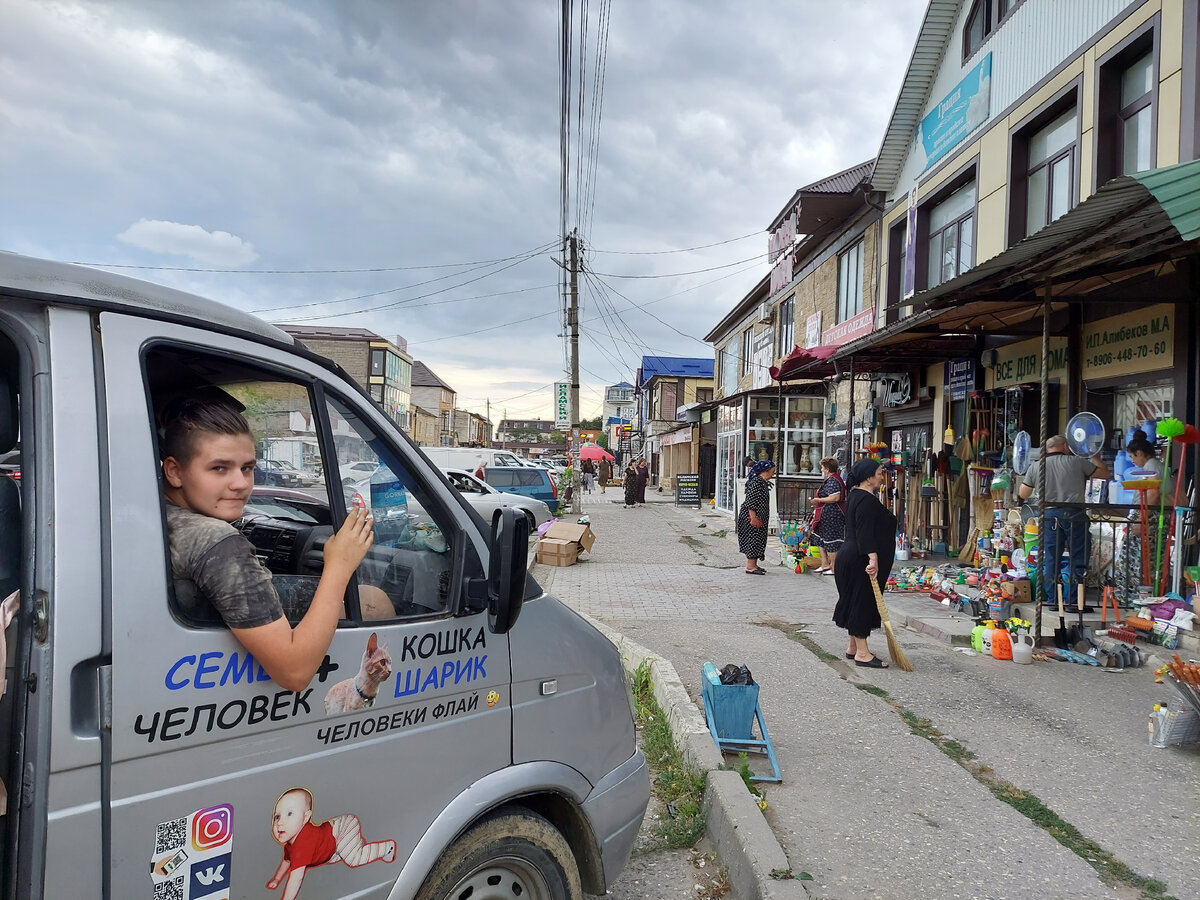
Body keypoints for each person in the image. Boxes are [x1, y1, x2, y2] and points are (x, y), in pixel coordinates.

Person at [161, 399, 375, 692]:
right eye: (219, 468)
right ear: (174, 471)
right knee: (371, 599)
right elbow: (294, 672)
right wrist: (339, 566)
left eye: (247, 468)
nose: (240, 484)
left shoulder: (158, 515)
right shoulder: (218, 544)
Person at [1017, 434, 1110, 605]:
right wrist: (1095, 456)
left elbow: (1023, 493)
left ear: (1046, 449)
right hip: (1075, 515)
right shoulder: (1077, 462)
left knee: (1052, 558)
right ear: (1066, 447)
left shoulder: (1036, 466)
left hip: (1049, 516)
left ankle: (1053, 600)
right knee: (1078, 558)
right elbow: (1105, 474)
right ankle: (1074, 601)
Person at [833, 459, 896, 668]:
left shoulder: (855, 496)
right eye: (879, 473)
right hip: (860, 559)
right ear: (869, 477)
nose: (881, 476)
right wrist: (873, 559)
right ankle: (862, 653)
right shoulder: (866, 500)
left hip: (851, 555)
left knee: (855, 600)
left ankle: (853, 647)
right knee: (862, 602)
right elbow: (865, 531)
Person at [737, 460, 776, 574]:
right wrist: (753, 517)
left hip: (758, 516)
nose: (773, 474)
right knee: (753, 539)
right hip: (752, 516)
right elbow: (751, 501)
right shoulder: (757, 482)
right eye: (772, 472)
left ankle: (754, 564)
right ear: (765, 471)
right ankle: (750, 567)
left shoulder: (762, 482)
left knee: (758, 538)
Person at [811, 456, 846, 575]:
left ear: (827, 468)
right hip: (825, 514)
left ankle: (834, 567)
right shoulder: (830, 479)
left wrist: (819, 499)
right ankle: (824, 563)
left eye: (822, 467)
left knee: (831, 540)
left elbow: (835, 497)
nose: (821, 469)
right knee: (821, 538)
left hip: (833, 514)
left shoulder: (833, 481)